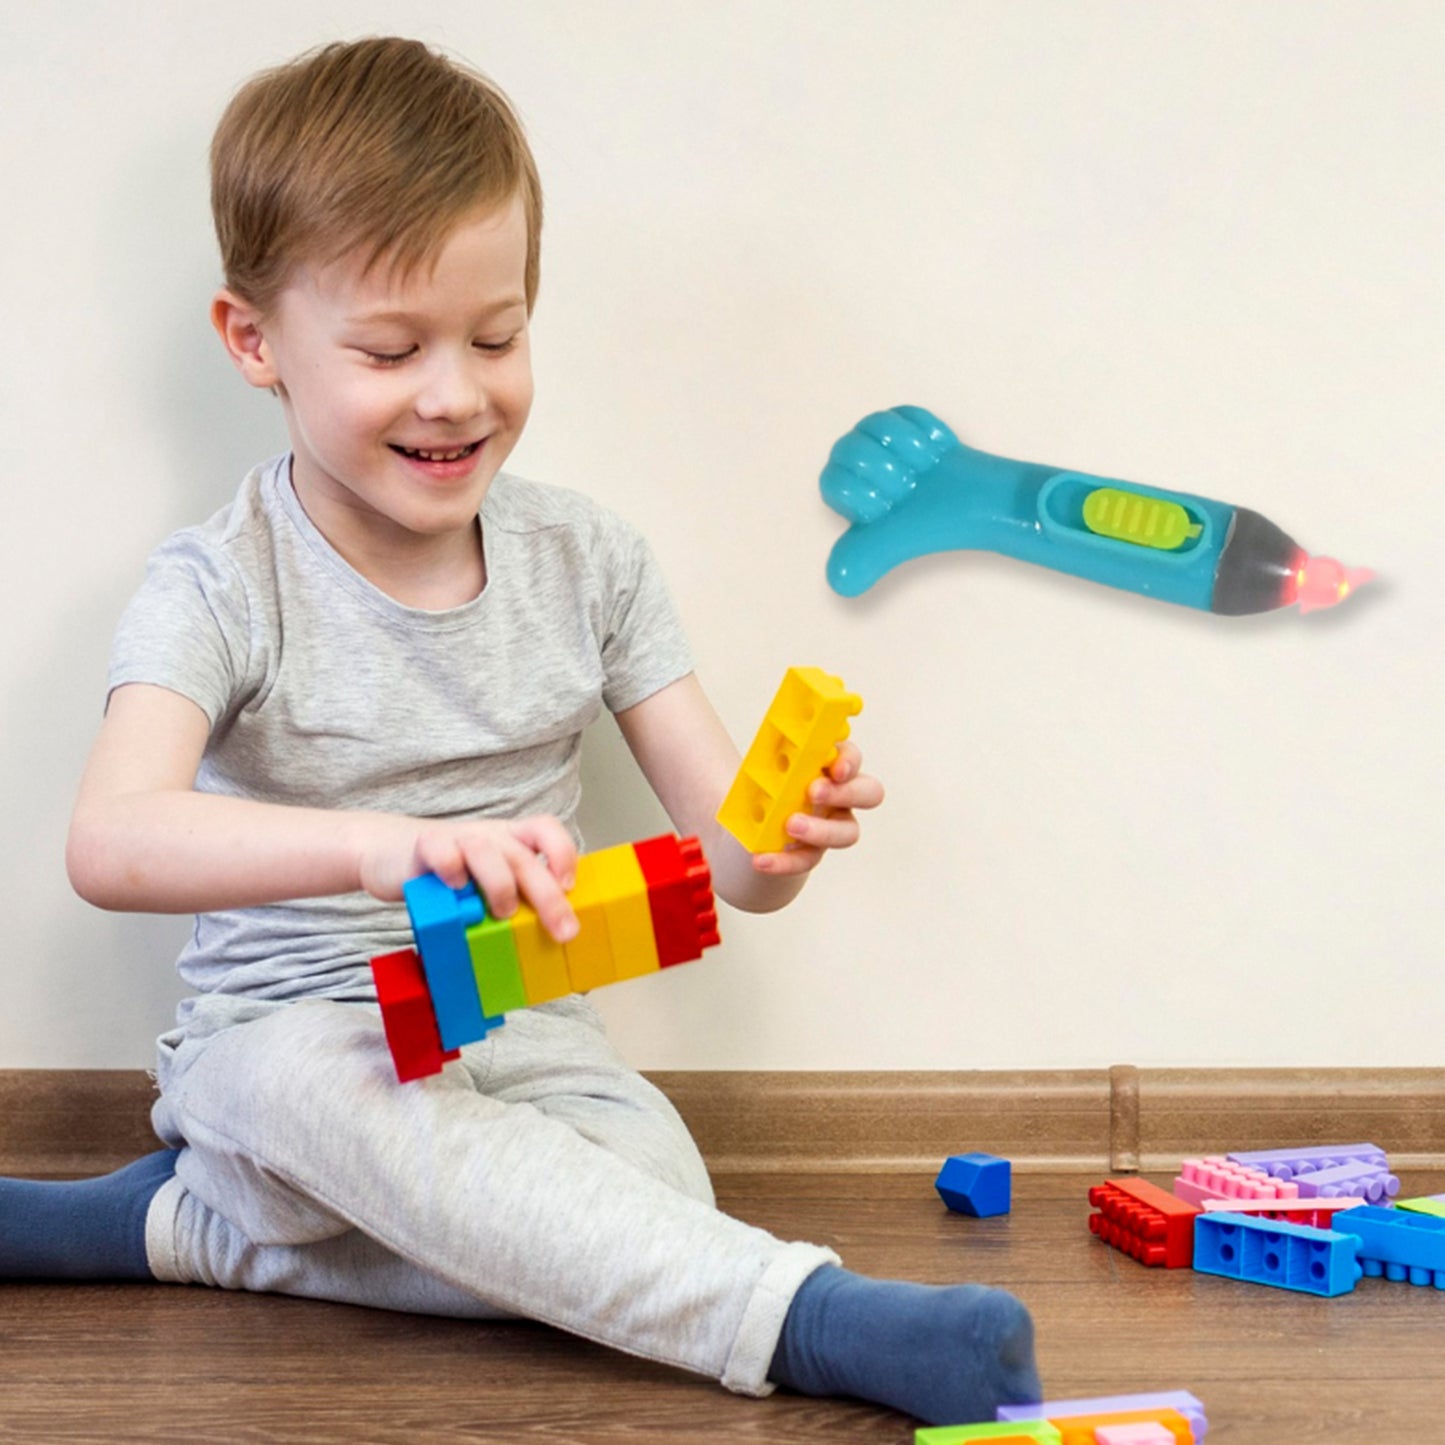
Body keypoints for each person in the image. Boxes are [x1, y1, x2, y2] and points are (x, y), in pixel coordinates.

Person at [0, 37, 1040, 1426]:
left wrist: (780, 839)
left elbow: (730, 865)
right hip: (292, 1040)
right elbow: (111, 838)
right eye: (388, 348)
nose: (454, 393)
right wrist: (388, 848)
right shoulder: (222, 578)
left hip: (519, 1033)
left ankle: (182, 1229)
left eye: (495, 336)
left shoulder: (589, 561)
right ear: (253, 341)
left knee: (645, 1195)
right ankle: (806, 1316)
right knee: (386, 1134)